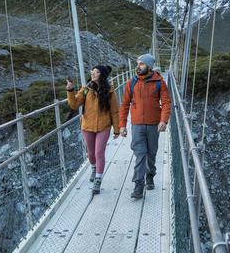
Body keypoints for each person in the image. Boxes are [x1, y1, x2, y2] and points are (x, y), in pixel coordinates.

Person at [118, 54, 171, 199]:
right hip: (136, 125)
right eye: (137, 64)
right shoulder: (132, 82)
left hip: (154, 124)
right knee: (140, 154)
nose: (138, 67)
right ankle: (138, 185)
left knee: (151, 154)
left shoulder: (160, 82)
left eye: (141, 64)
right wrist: (122, 125)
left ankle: (150, 174)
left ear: (149, 66)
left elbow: (166, 103)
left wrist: (164, 120)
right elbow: (124, 104)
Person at [67, 65, 120, 195]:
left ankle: (98, 179)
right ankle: (93, 167)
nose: (93, 73)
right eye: (92, 71)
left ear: (102, 75)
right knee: (91, 153)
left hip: (104, 126)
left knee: (99, 153)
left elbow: (114, 111)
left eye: (96, 72)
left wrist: (117, 129)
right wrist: (70, 90)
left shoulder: (110, 90)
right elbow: (74, 104)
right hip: (87, 126)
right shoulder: (86, 89)